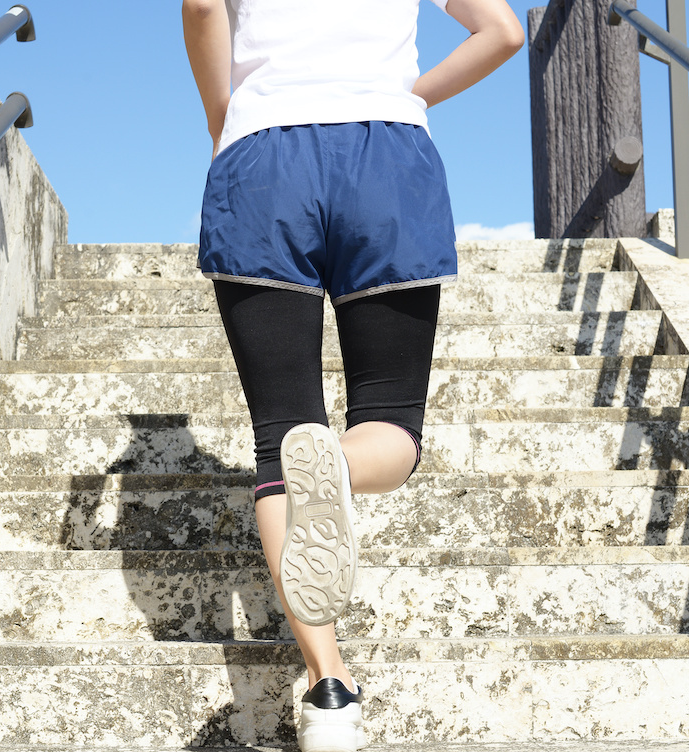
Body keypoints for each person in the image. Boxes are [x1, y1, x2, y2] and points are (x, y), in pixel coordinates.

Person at [182, 1, 524, 749]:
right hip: (389, 158)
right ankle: (336, 465)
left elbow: (204, 5)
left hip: (261, 155)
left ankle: (328, 691)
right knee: (393, 422)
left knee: (280, 442)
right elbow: (502, 31)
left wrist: (225, 119)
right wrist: (409, 97)